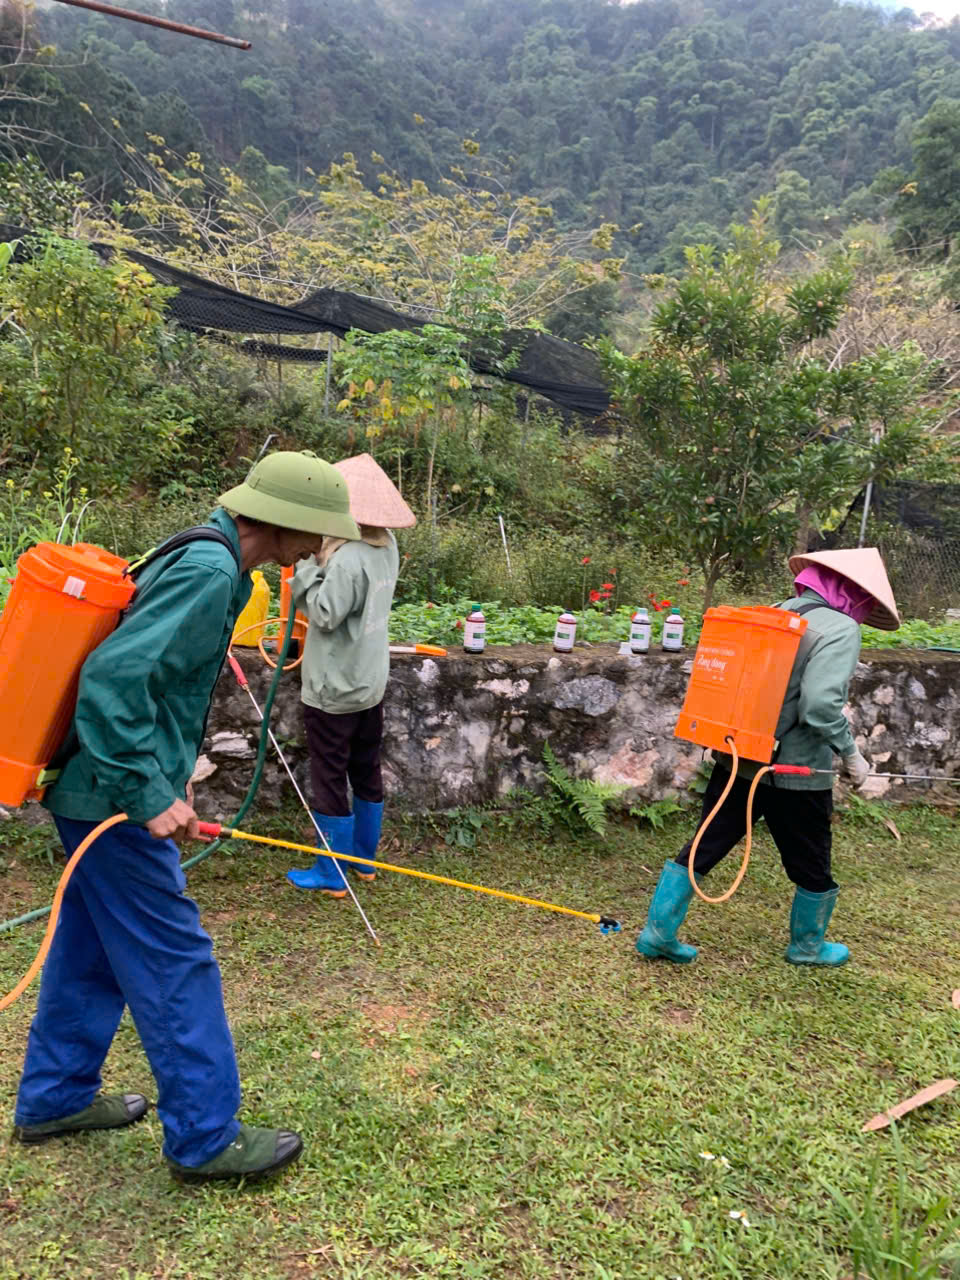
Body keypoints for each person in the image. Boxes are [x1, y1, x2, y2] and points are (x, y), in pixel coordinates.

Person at [13, 451, 360, 1183]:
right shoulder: (209, 571)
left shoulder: (215, 559)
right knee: (174, 958)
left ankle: (55, 1098)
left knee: (91, 949)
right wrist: (146, 793)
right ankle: (204, 1138)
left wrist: (168, 780)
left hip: (96, 789)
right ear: (287, 521)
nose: (320, 546)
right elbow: (113, 680)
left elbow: (154, 684)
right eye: (319, 530)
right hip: (112, 800)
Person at [636, 547, 900, 968]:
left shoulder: (773, 612)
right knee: (811, 860)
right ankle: (808, 946)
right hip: (795, 771)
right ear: (856, 593)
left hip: (737, 756)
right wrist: (852, 755)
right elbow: (820, 707)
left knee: (707, 841)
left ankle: (658, 932)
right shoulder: (841, 628)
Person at [285, 453, 415, 895]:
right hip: (369, 680)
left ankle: (331, 871)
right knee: (365, 768)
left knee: (329, 774)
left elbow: (325, 614)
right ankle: (362, 859)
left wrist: (304, 568)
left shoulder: (346, 557)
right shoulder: (385, 545)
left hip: (334, 684)